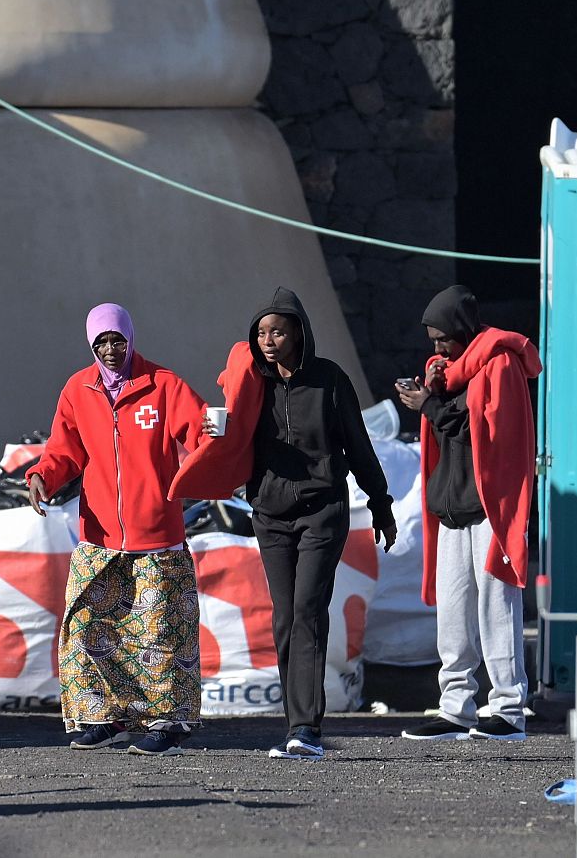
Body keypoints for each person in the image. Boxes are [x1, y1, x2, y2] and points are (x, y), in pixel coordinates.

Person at [179, 287, 395, 761]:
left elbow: (359, 447)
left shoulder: (330, 380)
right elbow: (230, 435)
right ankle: (295, 722)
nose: (268, 341)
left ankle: (305, 729)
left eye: (277, 331)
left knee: (307, 610)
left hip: (323, 511)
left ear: (298, 332)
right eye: (261, 333)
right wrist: (214, 435)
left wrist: (381, 504)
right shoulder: (254, 385)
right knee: (284, 618)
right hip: (271, 514)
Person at [26, 303, 208, 757]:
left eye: (118, 341)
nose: (110, 350)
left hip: (158, 537)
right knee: (86, 626)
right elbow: (63, 450)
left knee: (159, 634)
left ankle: (168, 724)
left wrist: (221, 451)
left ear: (131, 339)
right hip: (99, 536)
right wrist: (42, 477)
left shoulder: (163, 385)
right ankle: (105, 718)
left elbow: (202, 434)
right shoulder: (78, 389)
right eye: (101, 342)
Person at [394, 285, 541, 742]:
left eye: (444, 338)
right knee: (454, 611)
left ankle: (509, 709)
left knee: (497, 605)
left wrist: (429, 404)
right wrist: (433, 393)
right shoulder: (448, 373)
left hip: (491, 505)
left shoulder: (501, 362)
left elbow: (484, 428)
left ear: (463, 329)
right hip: (453, 504)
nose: (439, 348)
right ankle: (456, 707)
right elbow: (453, 424)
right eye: (433, 340)